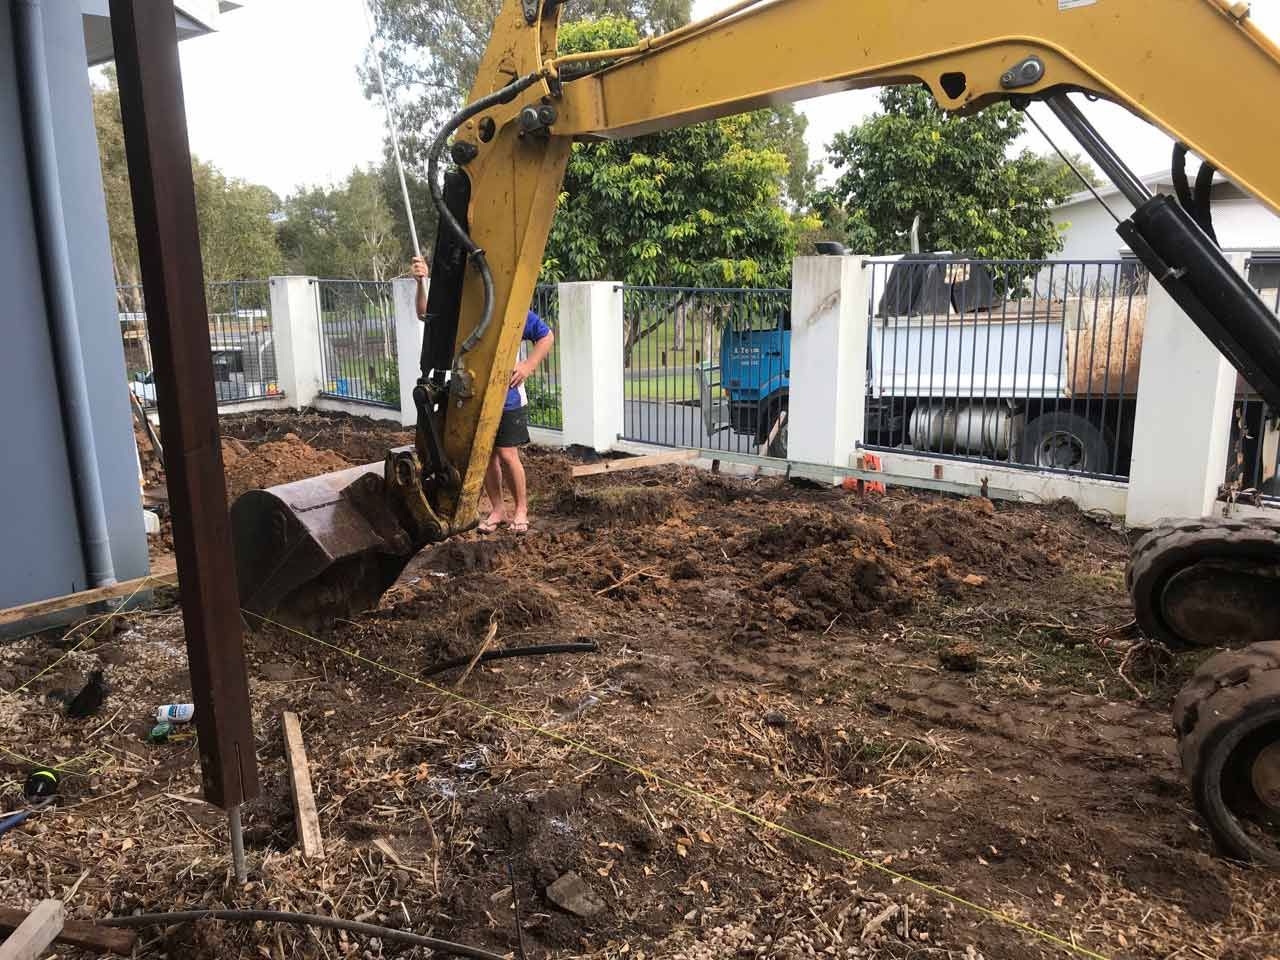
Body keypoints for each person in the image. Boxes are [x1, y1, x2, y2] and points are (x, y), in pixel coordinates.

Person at [483, 309, 553, 533]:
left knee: (506, 454)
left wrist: (527, 366)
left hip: (508, 396)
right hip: (477, 397)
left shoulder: (512, 305)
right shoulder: (466, 307)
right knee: (485, 455)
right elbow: (426, 313)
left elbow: (546, 336)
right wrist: (420, 283)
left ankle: (521, 510)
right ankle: (498, 510)